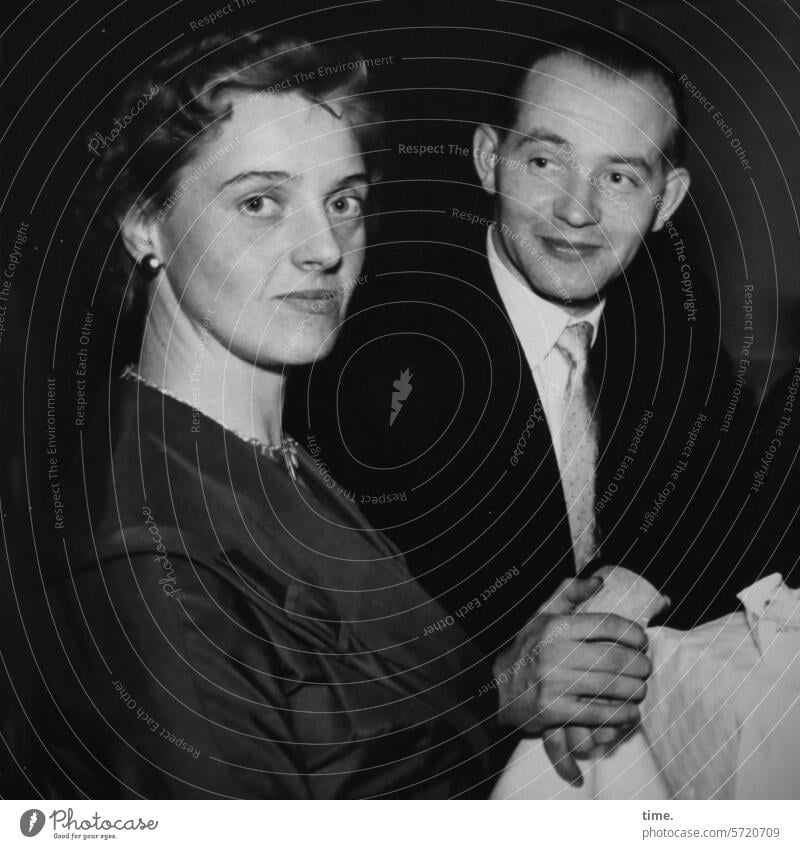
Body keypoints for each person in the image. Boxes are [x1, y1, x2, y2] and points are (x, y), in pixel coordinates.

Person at [31, 29, 504, 799]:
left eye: (344, 200)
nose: (324, 247)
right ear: (145, 224)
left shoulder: (271, 456)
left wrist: (510, 685)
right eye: (260, 202)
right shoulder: (154, 564)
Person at [299, 27, 745, 782]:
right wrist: (502, 688)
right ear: (488, 160)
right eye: (545, 160)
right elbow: (321, 675)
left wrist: (626, 597)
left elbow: (734, 491)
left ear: (665, 202)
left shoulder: (668, 310)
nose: (577, 212)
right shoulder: (365, 354)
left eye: (620, 179)